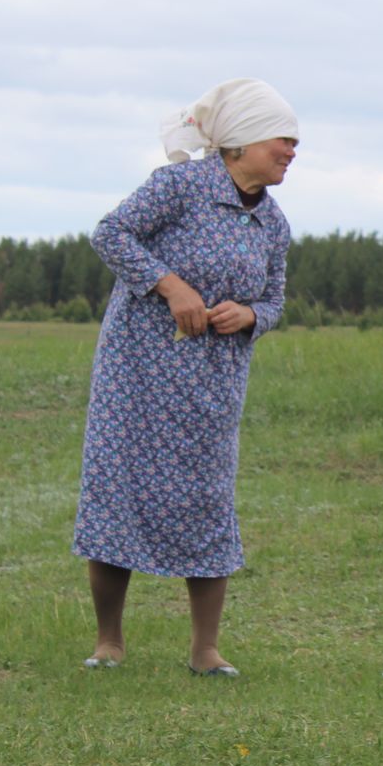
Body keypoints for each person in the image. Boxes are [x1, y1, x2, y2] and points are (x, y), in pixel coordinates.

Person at [73, 79, 298, 676]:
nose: (292, 151)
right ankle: (109, 642)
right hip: (136, 376)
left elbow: (275, 300)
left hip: (212, 388)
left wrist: (250, 315)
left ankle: (205, 650)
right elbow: (110, 233)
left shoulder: (273, 223)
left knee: (206, 502)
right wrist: (170, 285)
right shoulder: (178, 186)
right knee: (119, 493)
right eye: (283, 139)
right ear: (240, 143)